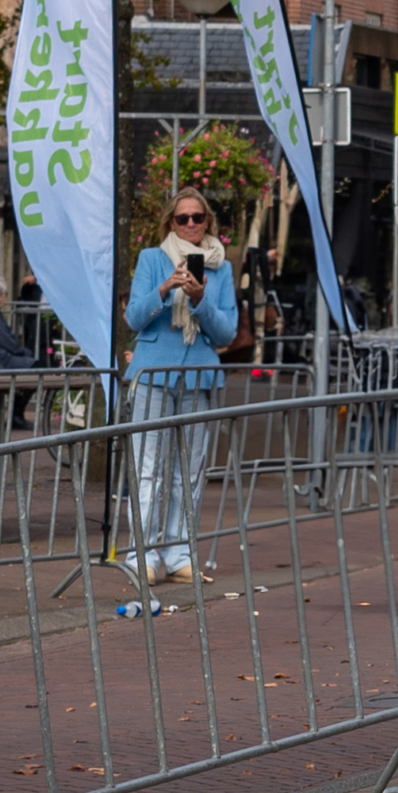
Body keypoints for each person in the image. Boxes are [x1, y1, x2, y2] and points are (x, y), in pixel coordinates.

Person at [124, 188, 237, 584]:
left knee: (187, 472)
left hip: (198, 375)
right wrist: (164, 288)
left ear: (208, 221)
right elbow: (133, 319)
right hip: (153, 373)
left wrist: (201, 300)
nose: (190, 225)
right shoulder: (151, 259)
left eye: (198, 218)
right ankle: (143, 553)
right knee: (148, 468)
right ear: (170, 223)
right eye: (182, 218)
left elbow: (227, 330)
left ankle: (178, 552)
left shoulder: (220, 268)